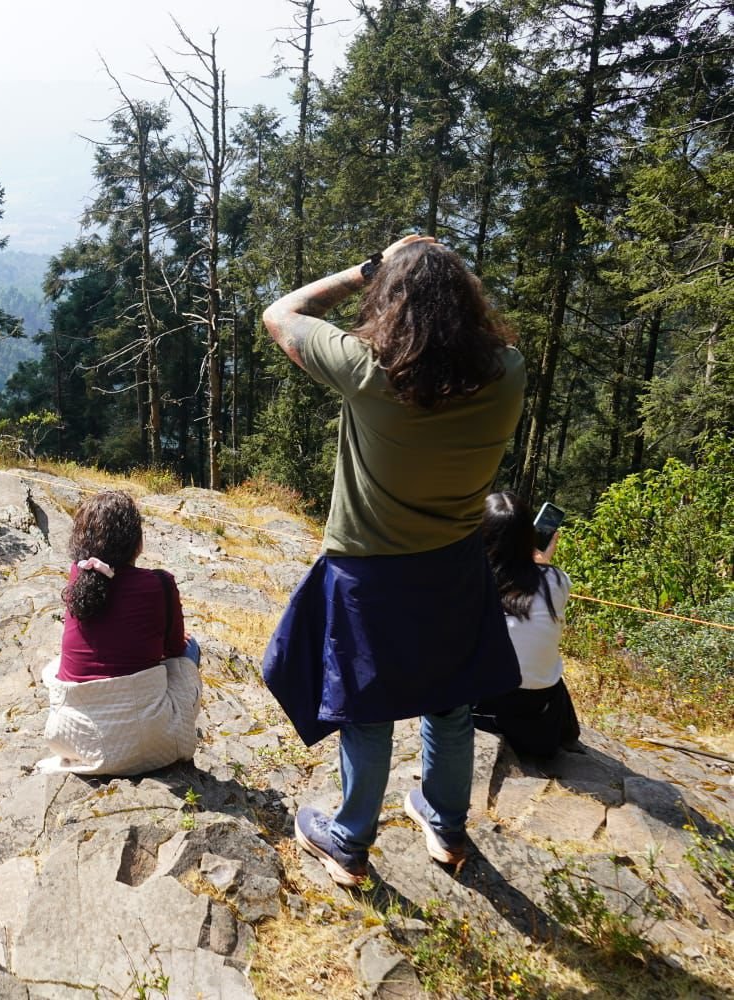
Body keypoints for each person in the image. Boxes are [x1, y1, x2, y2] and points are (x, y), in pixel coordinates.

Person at [259, 235, 526, 888]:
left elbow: (279, 314)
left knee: (368, 712)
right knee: (452, 703)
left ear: (391, 303)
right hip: (457, 565)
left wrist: (364, 268)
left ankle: (349, 841)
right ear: (466, 303)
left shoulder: (367, 371)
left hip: (370, 574)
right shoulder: (509, 371)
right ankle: (446, 825)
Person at [39, 491, 201, 775]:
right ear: (136, 542)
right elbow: (174, 649)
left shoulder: (78, 576)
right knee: (191, 649)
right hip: (148, 740)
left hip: (73, 739)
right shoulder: (160, 583)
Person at [472, 492, 581, 758]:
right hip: (537, 711)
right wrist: (542, 564)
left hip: (482, 704)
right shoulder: (555, 580)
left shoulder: (472, 579)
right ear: (529, 537)